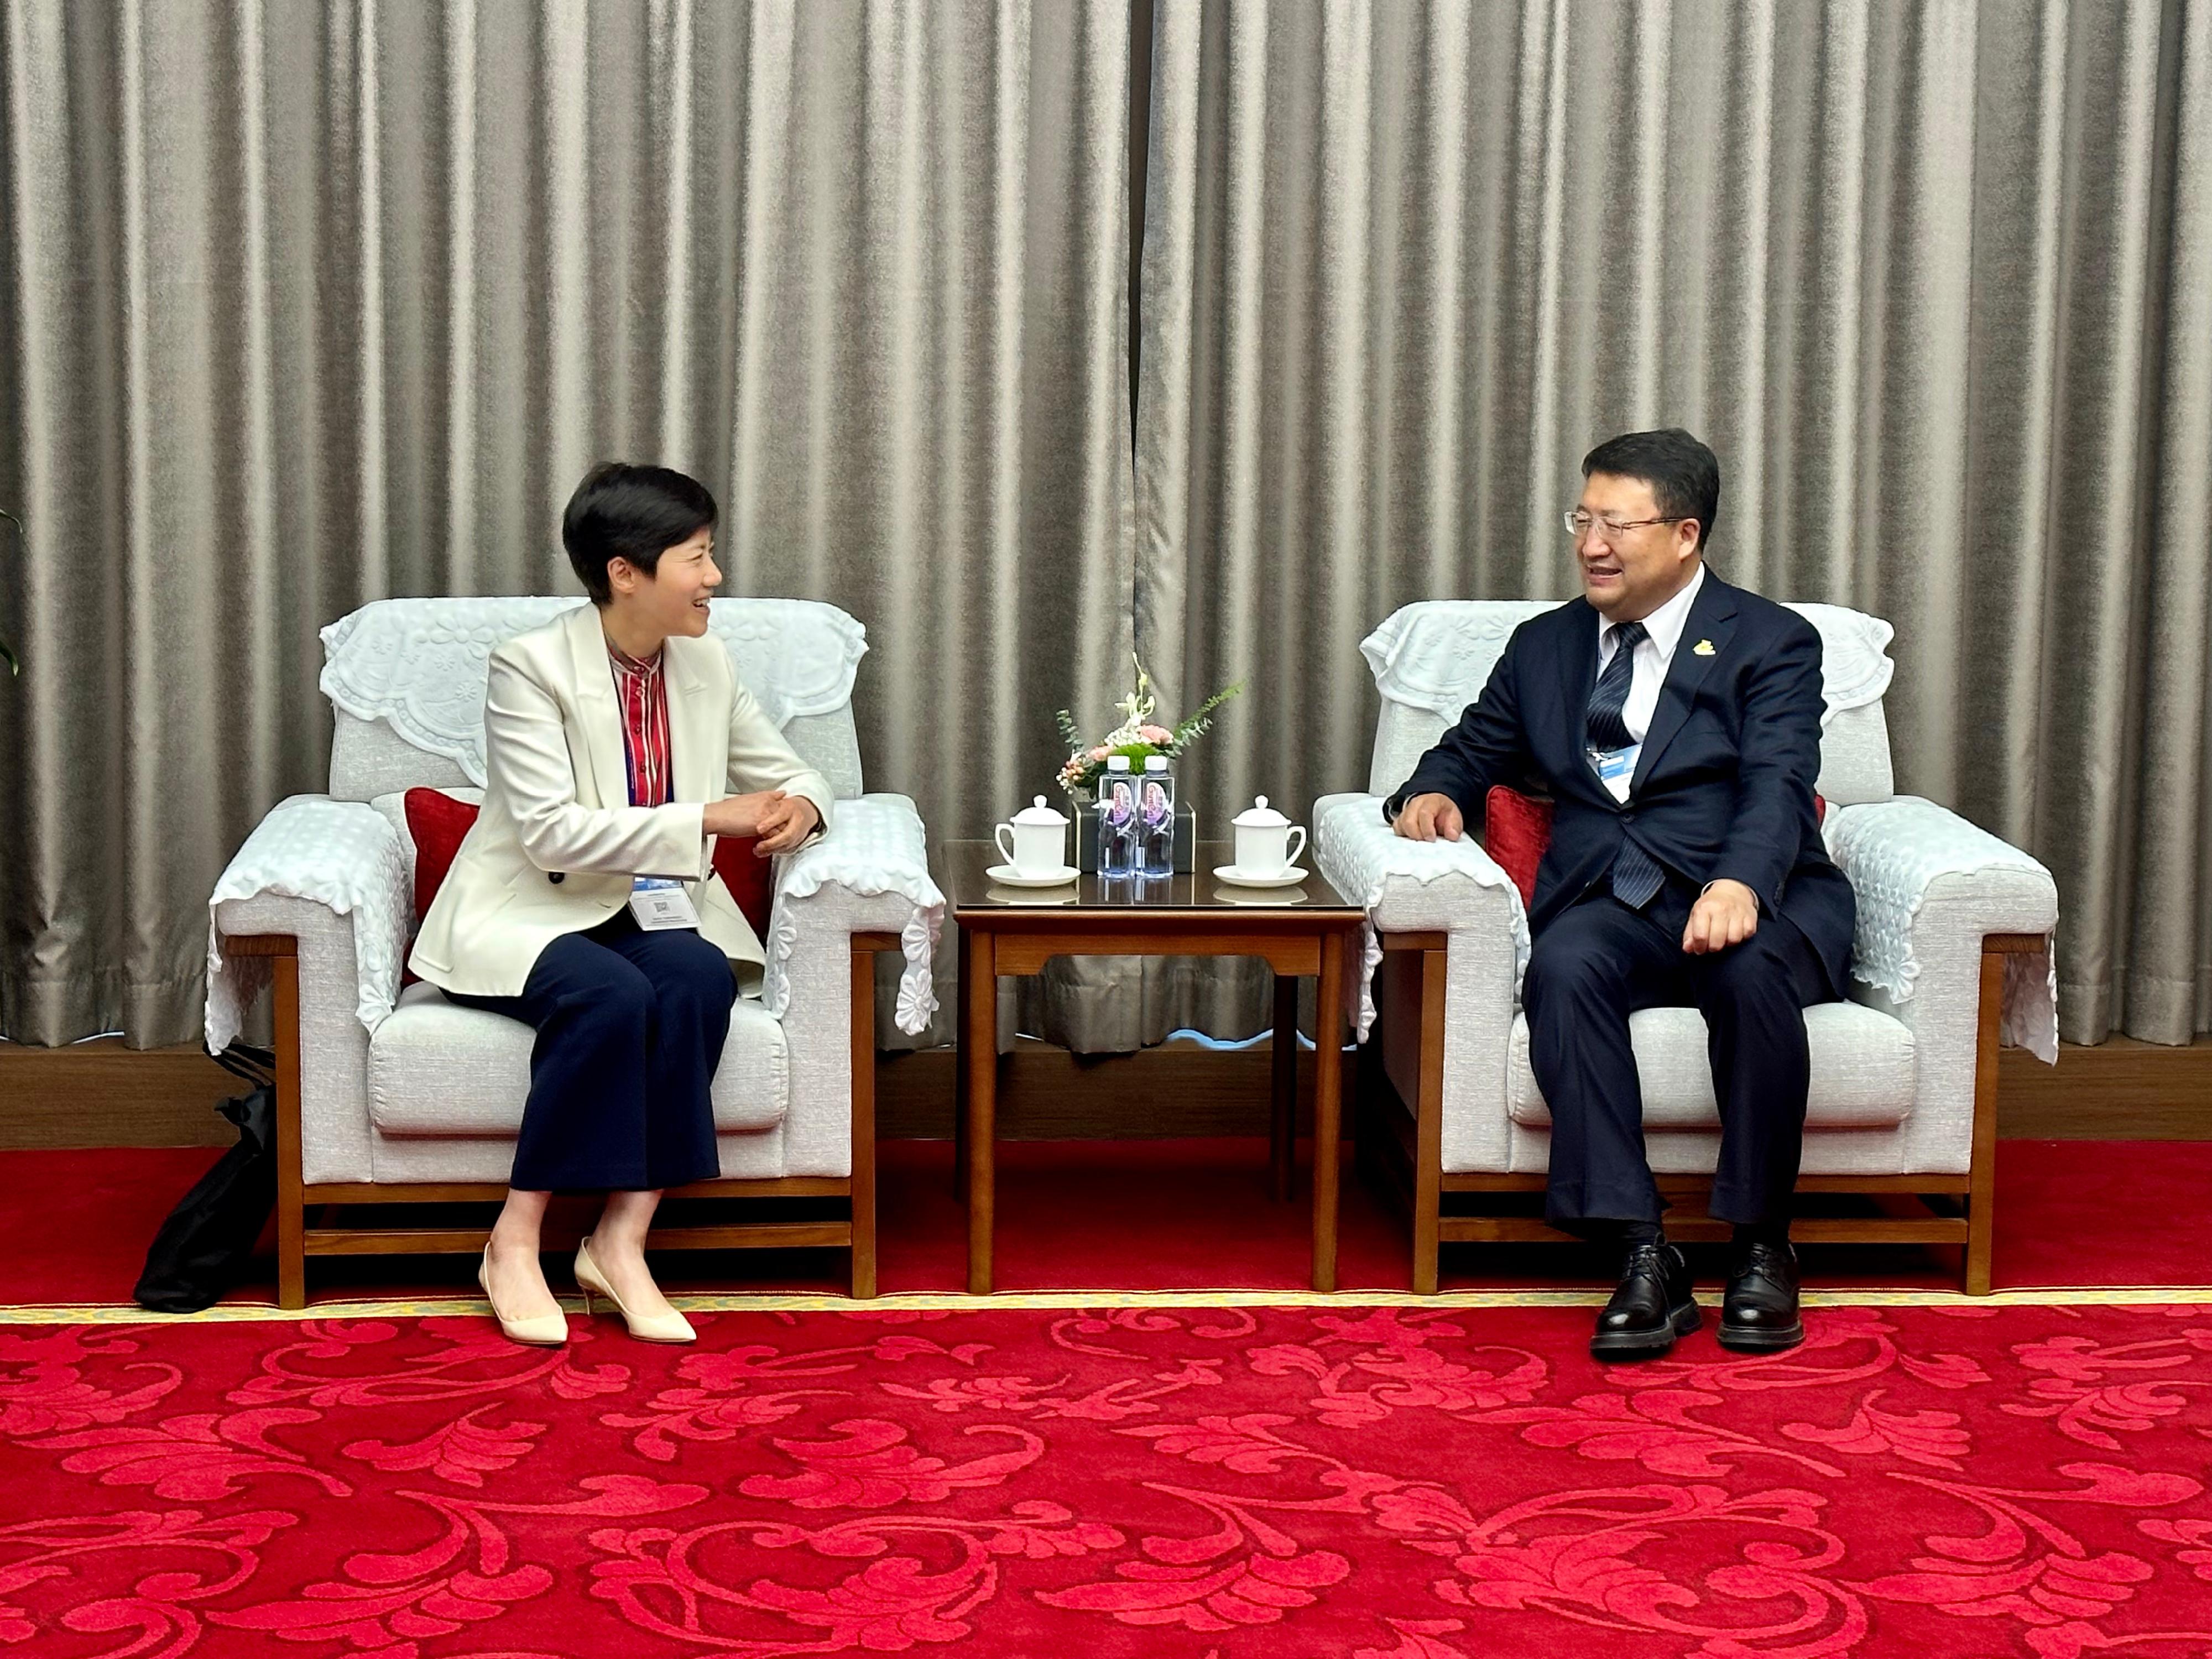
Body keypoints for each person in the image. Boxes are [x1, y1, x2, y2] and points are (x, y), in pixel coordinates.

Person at [1389, 429, 1853, 1360]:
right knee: (1562, 967)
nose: (1592, 544)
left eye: (1617, 524)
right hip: (1615, 900)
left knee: (1751, 971)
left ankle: (1762, 1244)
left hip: (1750, 889)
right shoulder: (1547, 647)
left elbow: (1777, 780)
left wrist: (1739, 881)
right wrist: (1434, 788)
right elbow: (1474, 747)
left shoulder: (1771, 641)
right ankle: (1642, 1250)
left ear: (1684, 534)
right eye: (1582, 519)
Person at [409, 463, 834, 1347]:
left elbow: (790, 769)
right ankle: (514, 1240)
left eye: (711, 554)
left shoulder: (706, 663)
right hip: (526, 912)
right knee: (612, 994)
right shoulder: (528, 668)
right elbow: (554, 835)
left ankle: (621, 1239)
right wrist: (709, 817)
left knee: (695, 976)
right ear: (625, 572)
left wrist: (803, 806)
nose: (715, 578)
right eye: (698, 557)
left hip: (650, 910)